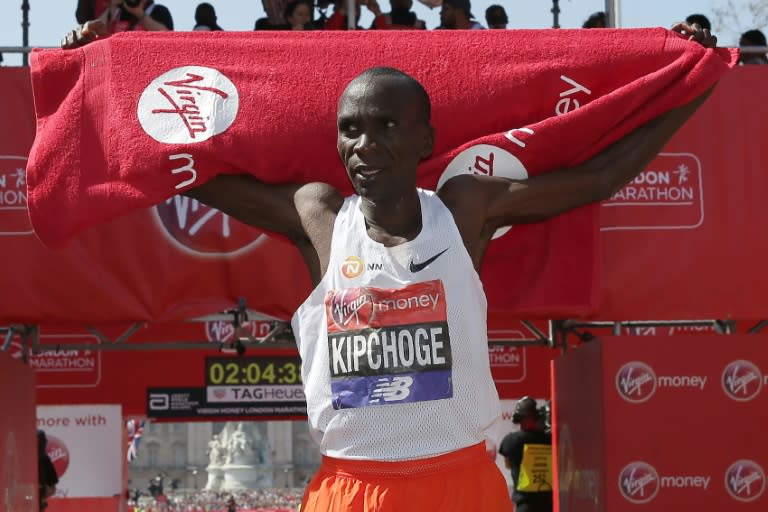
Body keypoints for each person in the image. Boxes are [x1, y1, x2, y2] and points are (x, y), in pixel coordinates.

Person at [58, 21, 716, 511]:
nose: (364, 144)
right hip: (351, 487)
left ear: (427, 139)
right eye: (349, 129)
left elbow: (600, 176)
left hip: (458, 483)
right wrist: (98, 75)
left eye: (387, 126)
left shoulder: (463, 210)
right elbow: (183, 167)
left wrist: (698, 74)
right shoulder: (320, 217)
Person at [498, 398, 553, 512]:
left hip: (525, 505)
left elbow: (508, 464)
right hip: (549, 504)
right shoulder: (550, 440)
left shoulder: (512, 440)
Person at [62, 0, 173, 48]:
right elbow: (96, 30)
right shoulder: (116, 12)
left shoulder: (159, 11)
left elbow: (167, 38)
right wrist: (111, 7)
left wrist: (140, 14)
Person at [37, 430, 59, 510]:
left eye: (42, 442)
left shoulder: (45, 459)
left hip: (40, 498)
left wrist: (43, 492)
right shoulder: (24, 459)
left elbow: (53, 487)